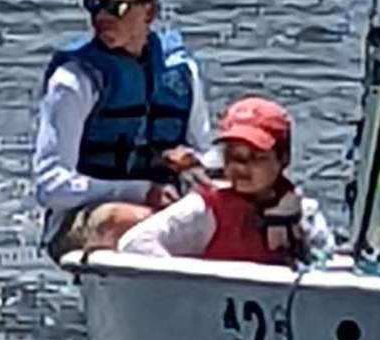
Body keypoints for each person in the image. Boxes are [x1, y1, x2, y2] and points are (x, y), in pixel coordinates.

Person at [35, 0, 211, 258]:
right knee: (134, 223)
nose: (100, 16)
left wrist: (191, 163)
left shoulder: (183, 74)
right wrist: (141, 191)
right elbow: (51, 186)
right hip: (83, 219)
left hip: (164, 208)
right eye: (94, 4)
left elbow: (204, 159)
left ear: (150, 11)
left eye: (115, 6)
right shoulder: (74, 80)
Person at [98, 96, 334, 270]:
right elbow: (136, 242)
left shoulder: (304, 213)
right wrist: (192, 284)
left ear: (283, 160)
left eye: (257, 157)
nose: (241, 167)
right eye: (233, 156)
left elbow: (324, 262)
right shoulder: (204, 209)